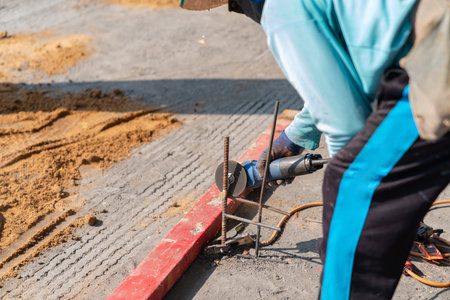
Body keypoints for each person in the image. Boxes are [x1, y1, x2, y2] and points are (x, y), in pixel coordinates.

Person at [181, 1, 450, 299]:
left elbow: (348, 125)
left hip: (437, 59)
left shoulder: (281, 11)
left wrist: (357, 189)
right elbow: (348, 69)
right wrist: (297, 135)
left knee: (349, 191)